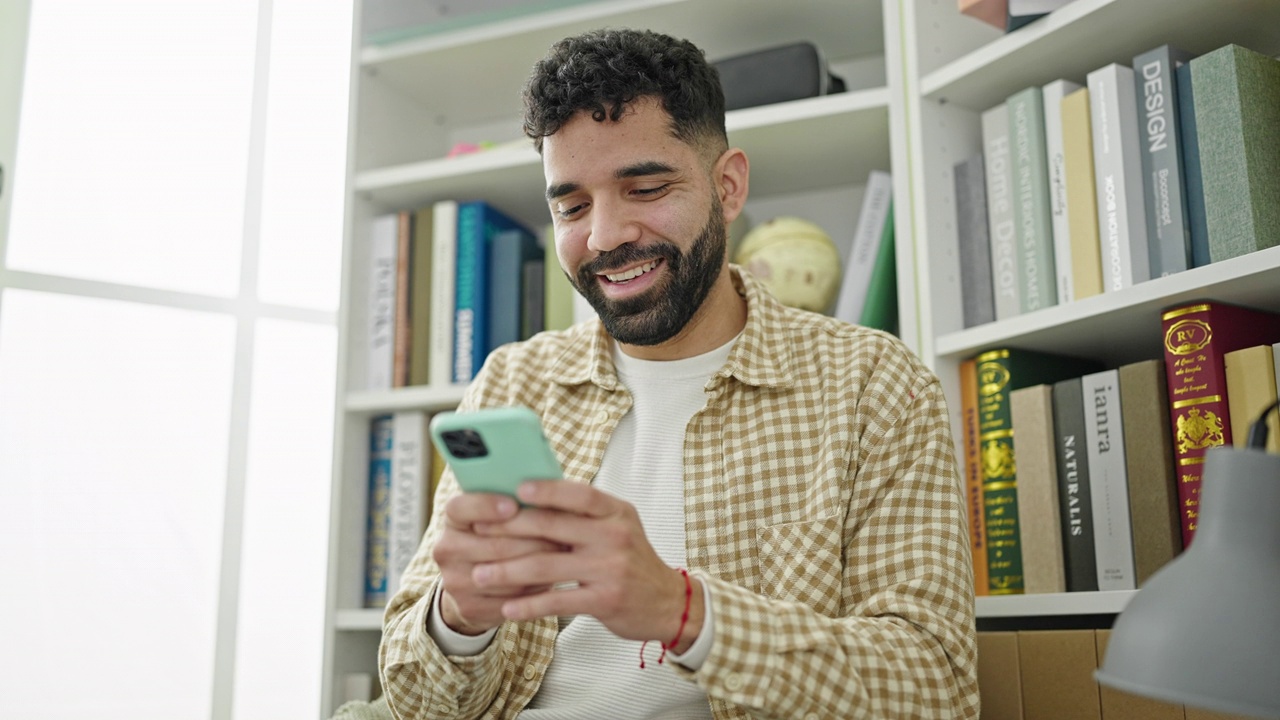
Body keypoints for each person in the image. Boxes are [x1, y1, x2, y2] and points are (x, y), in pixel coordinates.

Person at [379, 28, 979, 720]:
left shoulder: (875, 385)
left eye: (644, 187)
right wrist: (459, 619)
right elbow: (413, 703)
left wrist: (683, 612)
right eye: (572, 207)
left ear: (728, 186)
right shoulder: (514, 383)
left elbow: (935, 688)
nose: (604, 235)